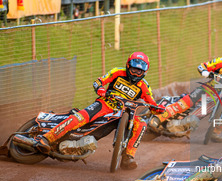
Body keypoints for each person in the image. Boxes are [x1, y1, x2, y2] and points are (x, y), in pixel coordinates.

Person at [32, 52, 165, 170]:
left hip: (125, 113)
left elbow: (152, 103)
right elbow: (99, 81)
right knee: (80, 117)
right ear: (128, 66)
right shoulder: (117, 72)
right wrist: (101, 89)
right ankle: (45, 138)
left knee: (141, 123)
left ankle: (128, 157)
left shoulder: (144, 86)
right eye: (134, 70)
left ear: (144, 72)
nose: (136, 73)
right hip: (105, 104)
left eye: (139, 72)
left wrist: (157, 109)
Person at [149, 43, 222, 143]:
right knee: (188, 101)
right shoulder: (221, 61)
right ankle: (158, 117)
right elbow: (203, 66)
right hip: (209, 89)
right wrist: (206, 72)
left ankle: (215, 132)